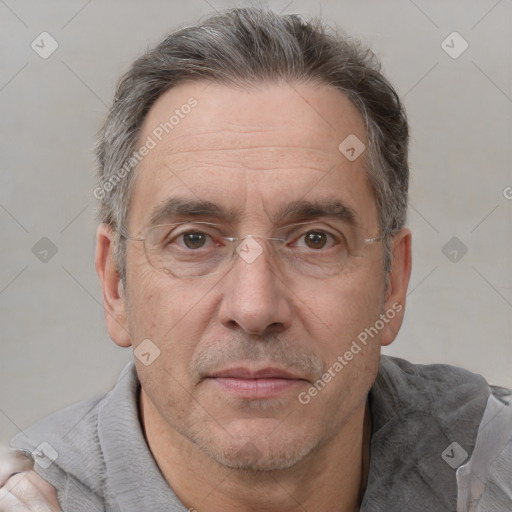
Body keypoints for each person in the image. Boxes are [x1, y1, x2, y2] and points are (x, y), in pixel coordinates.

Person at [2, 7, 511, 512]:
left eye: (315, 239)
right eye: (195, 240)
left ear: (393, 283)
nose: (254, 308)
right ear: (116, 284)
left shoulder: (493, 461)